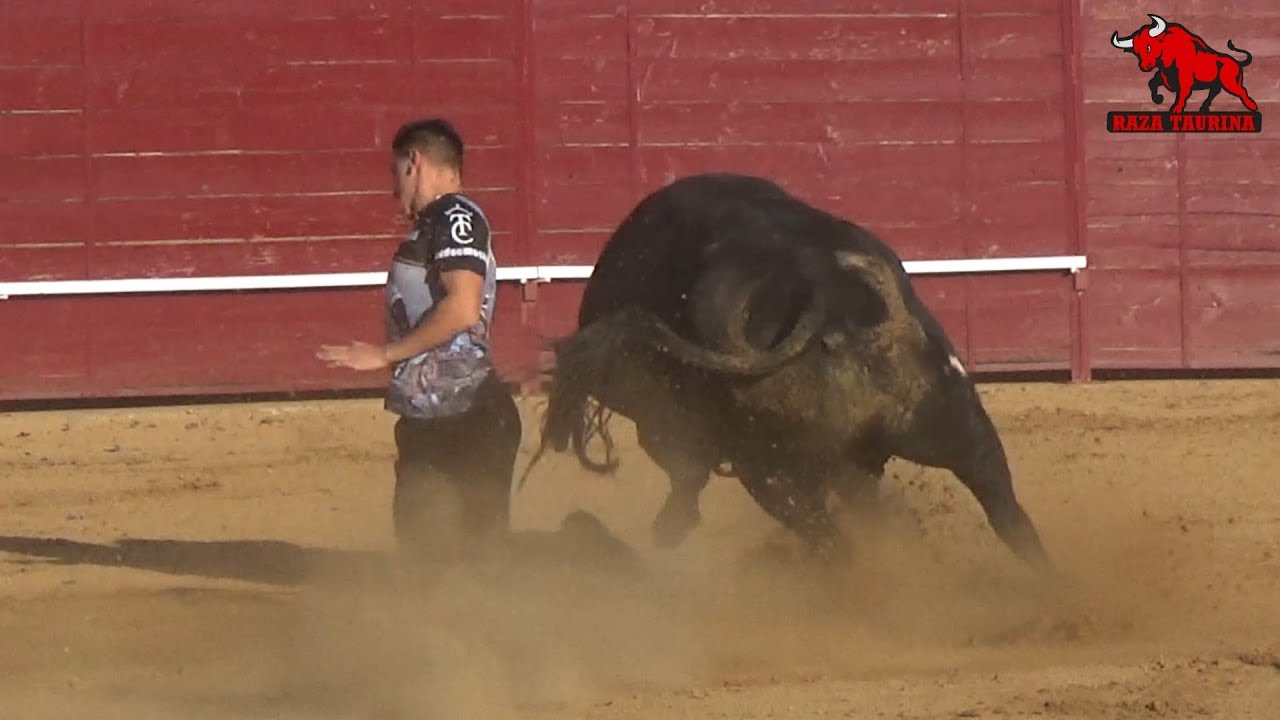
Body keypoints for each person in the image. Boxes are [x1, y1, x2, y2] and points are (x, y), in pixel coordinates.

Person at [317, 118, 522, 560]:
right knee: (455, 560)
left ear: (415, 163)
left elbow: (463, 307)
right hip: (445, 416)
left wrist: (385, 354)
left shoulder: (455, 214)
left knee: (452, 561)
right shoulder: (439, 223)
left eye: (396, 175)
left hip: (464, 418)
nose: (395, 192)